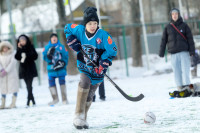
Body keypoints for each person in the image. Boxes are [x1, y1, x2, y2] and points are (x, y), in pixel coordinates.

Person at [64, 7, 117, 129]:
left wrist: (104, 62)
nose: (93, 26)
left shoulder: (103, 35)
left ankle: (83, 118)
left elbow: (112, 51)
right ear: (85, 24)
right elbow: (67, 28)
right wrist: (71, 40)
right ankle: (78, 115)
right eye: (89, 23)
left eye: (95, 23)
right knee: (84, 82)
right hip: (84, 66)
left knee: (91, 94)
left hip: (98, 70)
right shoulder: (79, 30)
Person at [159, 8, 195, 91]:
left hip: (184, 52)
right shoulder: (168, 27)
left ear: (178, 15)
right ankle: (180, 87)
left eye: (176, 14)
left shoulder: (184, 26)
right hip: (173, 54)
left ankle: (187, 87)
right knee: (176, 71)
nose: (174, 15)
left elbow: (190, 39)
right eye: (173, 14)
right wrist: (161, 52)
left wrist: (192, 51)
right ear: (171, 16)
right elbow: (163, 40)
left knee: (185, 70)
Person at [43, 33, 69, 106]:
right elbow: (44, 57)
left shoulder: (61, 47)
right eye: (52, 37)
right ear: (50, 39)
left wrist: (63, 64)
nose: (54, 39)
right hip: (51, 69)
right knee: (51, 83)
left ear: (57, 39)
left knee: (62, 82)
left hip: (61, 69)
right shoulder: (47, 47)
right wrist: (49, 57)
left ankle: (64, 99)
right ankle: (55, 99)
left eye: (55, 37)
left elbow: (66, 56)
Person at [15, 35, 38, 107]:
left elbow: (35, 56)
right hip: (23, 69)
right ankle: (32, 100)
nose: (22, 42)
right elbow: (17, 57)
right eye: (20, 41)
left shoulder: (31, 46)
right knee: (28, 86)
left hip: (30, 68)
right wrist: (19, 49)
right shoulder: (19, 48)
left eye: (23, 40)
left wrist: (27, 55)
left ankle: (28, 101)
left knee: (29, 85)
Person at [0, 41, 19, 109]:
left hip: (11, 74)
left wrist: (6, 70)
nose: (5, 49)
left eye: (6, 47)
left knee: (14, 88)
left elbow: (12, 63)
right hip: (2, 75)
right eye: (3, 48)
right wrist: (2, 70)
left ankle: (13, 103)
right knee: (3, 89)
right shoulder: (0, 55)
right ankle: (3, 104)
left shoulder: (13, 54)